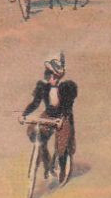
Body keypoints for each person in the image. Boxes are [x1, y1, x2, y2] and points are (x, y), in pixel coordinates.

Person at [19, 53, 77, 182]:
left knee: (61, 144)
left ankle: (61, 170)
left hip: (63, 116)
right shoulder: (42, 87)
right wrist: (24, 115)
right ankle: (47, 166)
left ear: (58, 76)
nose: (50, 78)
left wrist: (62, 119)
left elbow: (68, 106)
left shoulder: (67, 87)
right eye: (48, 74)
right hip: (49, 115)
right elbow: (35, 103)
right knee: (36, 133)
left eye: (53, 75)